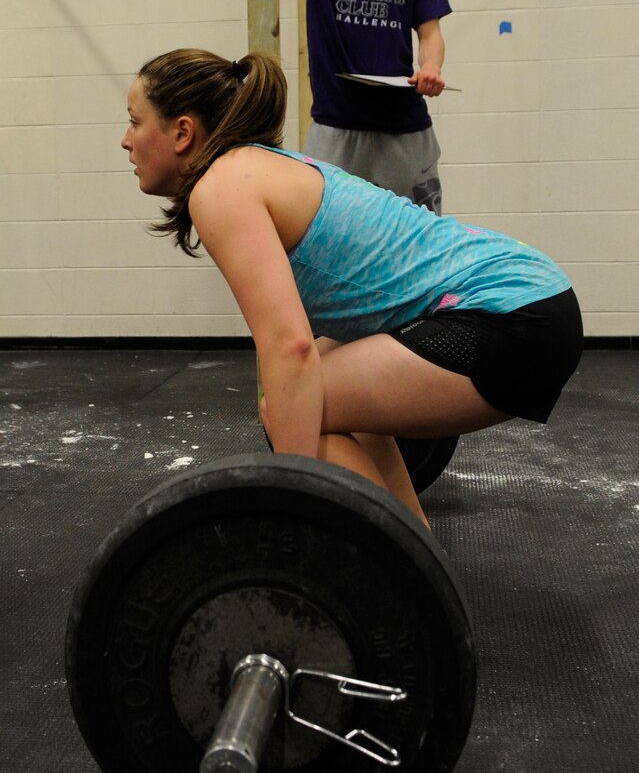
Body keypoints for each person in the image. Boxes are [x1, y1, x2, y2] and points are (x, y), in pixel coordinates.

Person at [121, 49, 583, 530]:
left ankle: (394, 569)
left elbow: (288, 348)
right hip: (535, 299)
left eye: (135, 121)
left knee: (289, 406)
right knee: (329, 390)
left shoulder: (220, 188)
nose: (126, 140)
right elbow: (310, 349)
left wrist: (292, 508)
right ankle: (415, 558)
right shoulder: (256, 167)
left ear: (182, 132)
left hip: (509, 315)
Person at [303, 0, 452, 214]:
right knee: (320, 235)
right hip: (335, 129)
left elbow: (430, 33)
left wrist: (431, 67)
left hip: (404, 129)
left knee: (420, 237)